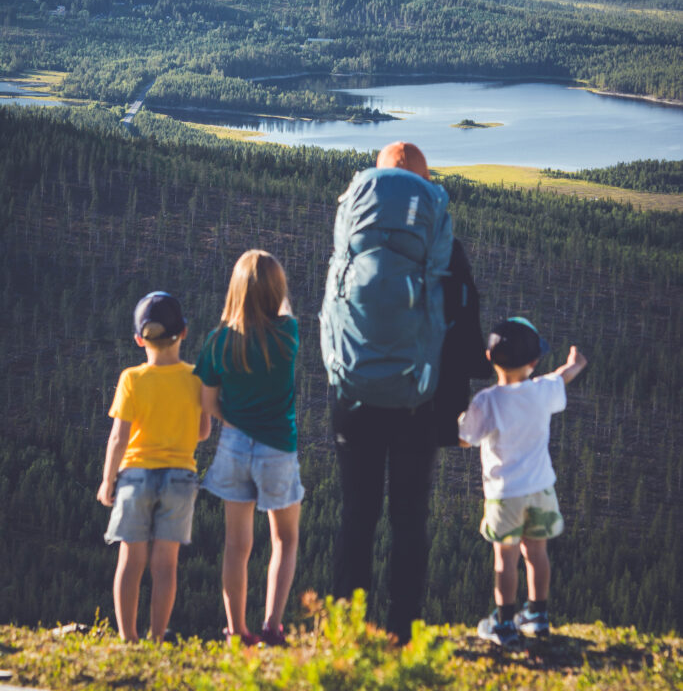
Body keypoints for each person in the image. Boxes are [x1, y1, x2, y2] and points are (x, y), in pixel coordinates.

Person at [328, 141, 489, 644]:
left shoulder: (354, 232)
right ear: (424, 182)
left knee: (357, 514)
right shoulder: (440, 242)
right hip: (418, 403)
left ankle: (345, 631)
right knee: (408, 517)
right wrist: (468, 391)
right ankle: (402, 632)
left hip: (353, 398)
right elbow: (461, 320)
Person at [194, 250, 304, 647]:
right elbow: (286, 309)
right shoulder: (287, 335)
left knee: (237, 547)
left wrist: (235, 421)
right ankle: (272, 625)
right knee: (285, 540)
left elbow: (208, 405)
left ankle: (236, 630)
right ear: (278, 293)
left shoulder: (217, 342)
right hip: (278, 449)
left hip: (235, 447)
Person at [458, 317, 587, 647]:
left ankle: (504, 624)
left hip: (504, 496)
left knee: (505, 559)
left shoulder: (487, 401)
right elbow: (561, 378)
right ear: (534, 362)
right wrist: (574, 365)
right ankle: (538, 615)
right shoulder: (542, 391)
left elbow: (464, 439)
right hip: (542, 489)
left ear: (490, 359)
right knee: (537, 553)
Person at [97, 291, 210, 642]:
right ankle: (156, 637)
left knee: (131, 561)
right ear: (184, 333)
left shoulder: (132, 378)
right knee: (166, 565)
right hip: (179, 477)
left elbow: (118, 439)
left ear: (138, 339)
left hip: (135, 476)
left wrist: (107, 481)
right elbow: (203, 432)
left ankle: (127, 638)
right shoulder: (196, 377)